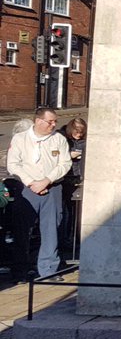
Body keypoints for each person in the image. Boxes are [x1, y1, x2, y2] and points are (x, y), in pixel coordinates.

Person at [5, 108, 72, 279]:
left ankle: (48, 269)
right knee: (22, 229)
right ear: (38, 121)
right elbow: (13, 164)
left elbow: (65, 163)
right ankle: (20, 269)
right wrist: (30, 182)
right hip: (27, 188)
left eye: (55, 121)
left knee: (51, 229)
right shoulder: (20, 139)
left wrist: (47, 180)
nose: (54, 124)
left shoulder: (59, 139)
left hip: (52, 188)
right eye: (50, 121)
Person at [58, 117, 87, 263]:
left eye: (82, 132)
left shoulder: (85, 142)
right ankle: (64, 240)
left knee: (76, 213)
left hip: (79, 178)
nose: (79, 135)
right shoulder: (62, 138)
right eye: (77, 131)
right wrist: (69, 156)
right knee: (63, 212)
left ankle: (73, 239)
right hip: (64, 179)